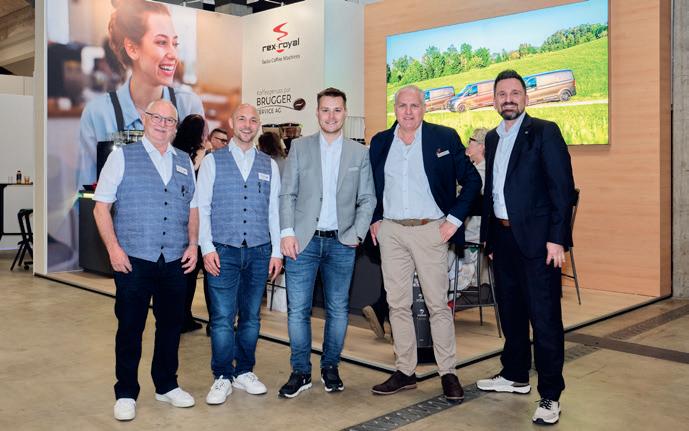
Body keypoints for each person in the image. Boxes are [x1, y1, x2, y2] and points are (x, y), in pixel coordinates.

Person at [368, 85, 481, 402]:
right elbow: (370, 185)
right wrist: (375, 218)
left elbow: (473, 181)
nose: (408, 112)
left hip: (431, 231)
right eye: (402, 106)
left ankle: (448, 372)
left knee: (437, 305)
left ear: (424, 108)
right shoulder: (380, 142)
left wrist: (453, 220)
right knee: (397, 305)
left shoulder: (443, 138)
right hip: (391, 232)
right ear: (395, 108)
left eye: (414, 105)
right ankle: (405, 371)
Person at [476, 69, 575, 426]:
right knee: (511, 313)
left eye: (515, 93)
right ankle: (515, 374)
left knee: (545, 319)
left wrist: (557, 238)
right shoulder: (491, 138)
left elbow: (562, 189)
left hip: (539, 242)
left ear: (526, 98)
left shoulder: (544, 132)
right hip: (502, 241)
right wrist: (489, 238)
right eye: (502, 94)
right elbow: (492, 191)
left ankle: (550, 395)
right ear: (494, 100)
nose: (508, 99)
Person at [93, 99, 199, 421]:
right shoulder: (122, 157)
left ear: (176, 127)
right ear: (144, 118)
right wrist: (113, 249)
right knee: (130, 327)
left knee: (170, 326)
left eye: (170, 120)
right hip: (134, 259)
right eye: (157, 117)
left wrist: (193, 244)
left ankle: (166, 384)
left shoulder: (184, 160)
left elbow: (193, 208)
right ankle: (126, 391)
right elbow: (101, 207)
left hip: (175, 260)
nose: (163, 124)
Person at [278, 87, 376, 398]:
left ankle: (330, 367)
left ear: (345, 113)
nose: (331, 116)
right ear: (317, 113)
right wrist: (287, 232)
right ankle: (300, 371)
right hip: (302, 243)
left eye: (336, 110)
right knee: (298, 311)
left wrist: (356, 233)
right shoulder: (299, 147)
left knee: (338, 310)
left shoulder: (359, 153)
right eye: (325, 110)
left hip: (341, 243)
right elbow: (287, 194)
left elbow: (368, 198)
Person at [196, 104, 283, 405]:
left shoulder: (269, 165)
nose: (247, 125)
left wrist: (276, 252)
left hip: (259, 251)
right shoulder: (213, 161)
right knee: (222, 317)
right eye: (242, 119)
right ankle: (222, 375)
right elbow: (202, 208)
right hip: (223, 249)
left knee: (251, 317)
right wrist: (207, 248)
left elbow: (274, 211)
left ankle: (244, 371)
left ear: (259, 125)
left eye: (253, 120)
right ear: (232, 123)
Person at [78, 0, 204, 189]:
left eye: (175, 43)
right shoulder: (99, 114)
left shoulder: (188, 106)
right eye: (161, 42)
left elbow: (197, 185)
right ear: (132, 48)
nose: (173, 54)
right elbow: (87, 192)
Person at [172, 114, 208, 333]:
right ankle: (186, 317)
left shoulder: (174, 152)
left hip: (179, 219)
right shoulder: (204, 154)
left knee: (182, 273)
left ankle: (179, 317)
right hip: (200, 220)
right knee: (196, 272)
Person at [449, 127, 488, 294]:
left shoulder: (481, 174)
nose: (467, 145)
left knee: (441, 238)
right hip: (472, 228)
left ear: (481, 146)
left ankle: (445, 285)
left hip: (474, 230)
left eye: (470, 141)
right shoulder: (477, 169)